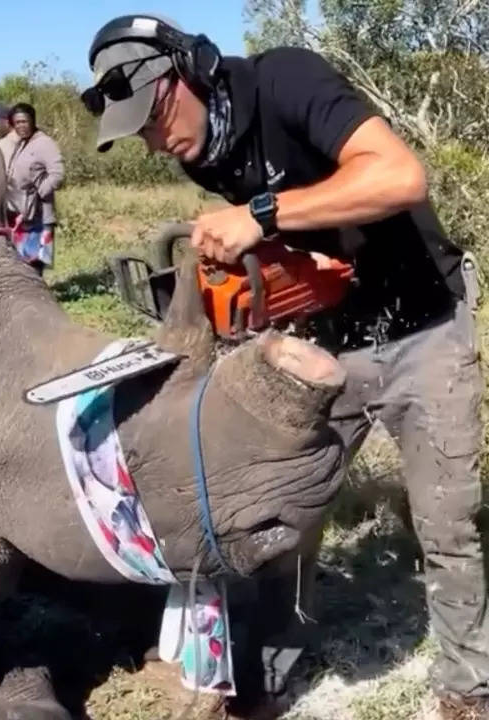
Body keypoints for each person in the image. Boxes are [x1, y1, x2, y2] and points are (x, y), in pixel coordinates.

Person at [84, 13, 487, 718]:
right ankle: (270, 662)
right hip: (331, 333)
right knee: (279, 508)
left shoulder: (285, 79)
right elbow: (306, 235)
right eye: (139, 134)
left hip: (423, 322)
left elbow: (400, 176)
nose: (153, 142)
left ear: (189, 72)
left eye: (151, 119)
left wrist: (262, 214)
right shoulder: (199, 151)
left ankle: (468, 685)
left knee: (449, 521)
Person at [2, 102, 64, 274]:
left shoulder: (44, 143)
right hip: (20, 214)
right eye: (17, 123)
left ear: (33, 121)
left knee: (35, 264)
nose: (21, 126)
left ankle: (39, 298)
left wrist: (38, 194)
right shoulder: (22, 143)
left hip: (38, 215)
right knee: (21, 264)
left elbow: (57, 174)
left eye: (25, 121)